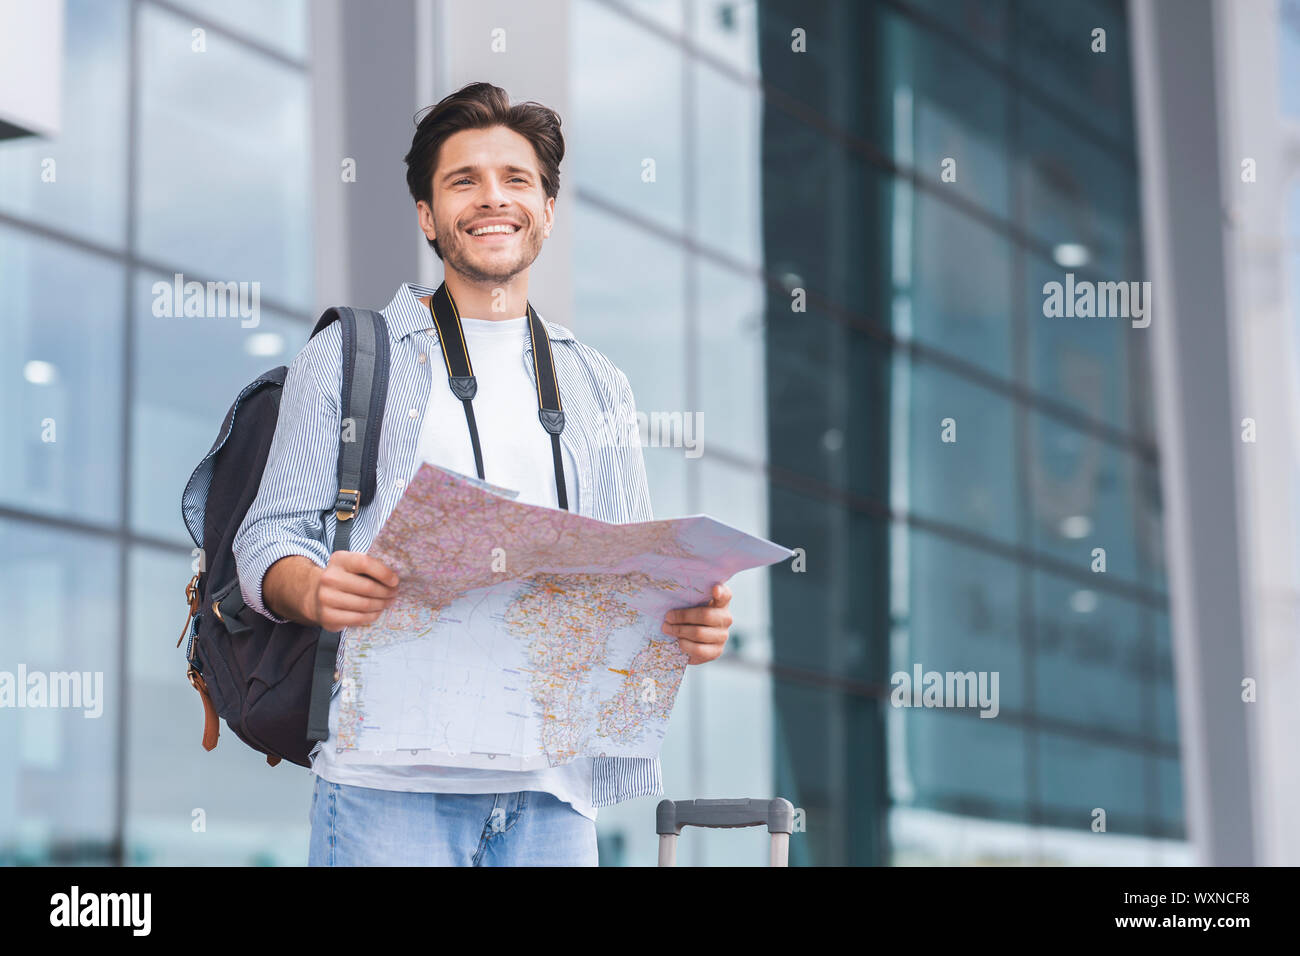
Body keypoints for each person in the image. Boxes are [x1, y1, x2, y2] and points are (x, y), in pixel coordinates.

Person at [231, 81, 733, 866]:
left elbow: (631, 572)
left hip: (553, 795)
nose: (491, 198)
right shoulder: (351, 357)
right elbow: (268, 536)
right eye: (463, 180)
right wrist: (311, 587)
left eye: (516, 179)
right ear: (428, 216)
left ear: (547, 208)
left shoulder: (599, 383)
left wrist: (683, 622)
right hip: (387, 784)